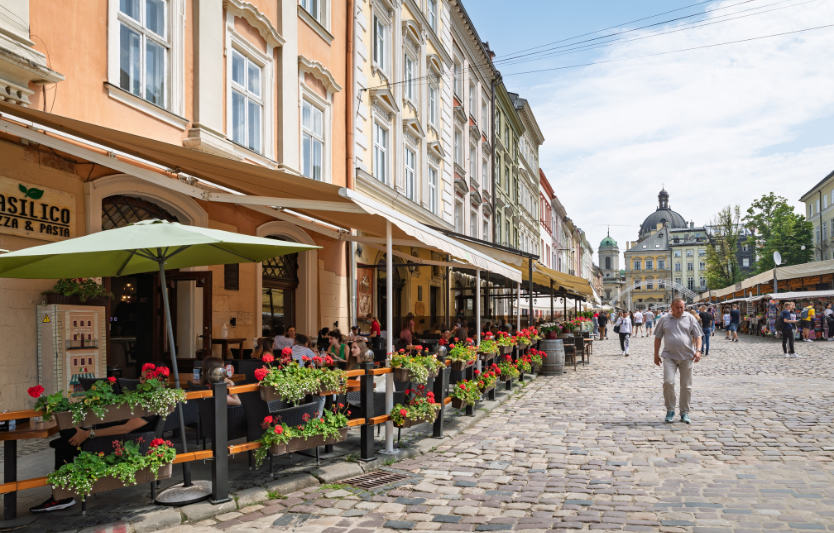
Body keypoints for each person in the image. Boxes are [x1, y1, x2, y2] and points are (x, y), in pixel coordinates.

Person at [32, 365, 174, 513]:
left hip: (121, 444)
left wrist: (88, 434)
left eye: (144, 379)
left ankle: (63, 497)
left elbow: (125, 429)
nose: (140, 381)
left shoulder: (154, 402)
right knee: (65, 442)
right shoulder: (147, 398)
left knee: (65, 440)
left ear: (156, 381)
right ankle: (63, 496)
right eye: (140, 377)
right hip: (117, 439)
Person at [654, 298, 703, 425]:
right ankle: (670, 410)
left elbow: (698, 335)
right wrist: (656, 354)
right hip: (669, 356)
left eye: (682, 307)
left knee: (686, 386)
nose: (680, 310)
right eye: (677, 307)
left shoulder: (690, 318)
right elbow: (658, 337)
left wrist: (698, 350)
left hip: (687, 357)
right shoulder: (664, 319)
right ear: (671, 307)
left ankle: (684, 412)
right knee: (668, 382)